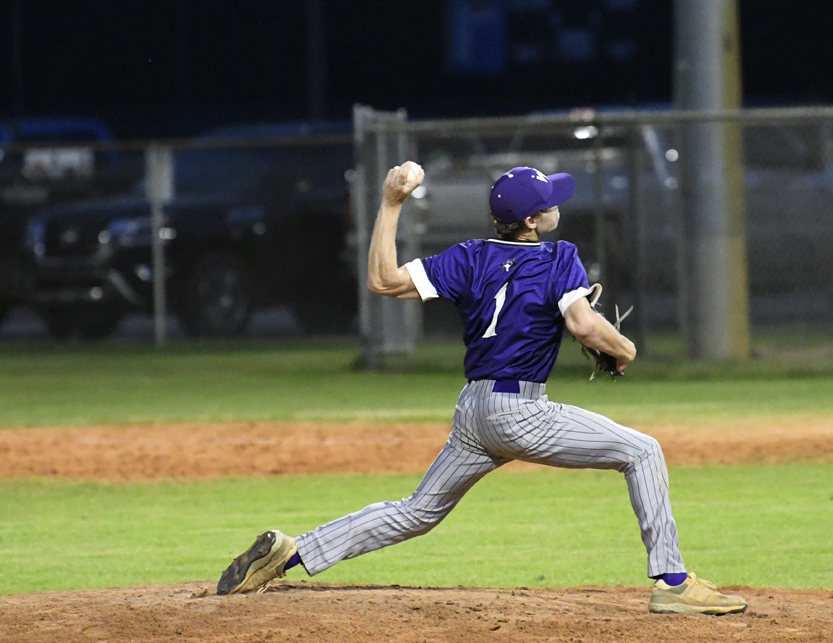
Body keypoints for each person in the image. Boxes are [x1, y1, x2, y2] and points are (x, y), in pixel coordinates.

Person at [217, 162, 747, 615]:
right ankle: (674, 585)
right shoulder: (558, 255)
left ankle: (288, 554)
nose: (556, 207)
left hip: (475, 411)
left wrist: (390, 202)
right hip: (522, 412)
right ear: (534, 220)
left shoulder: (470, 256)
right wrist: (625, 348)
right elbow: (584, 326)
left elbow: (381, 280)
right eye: (549, 203)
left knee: (418, 511)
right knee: (643, 451)